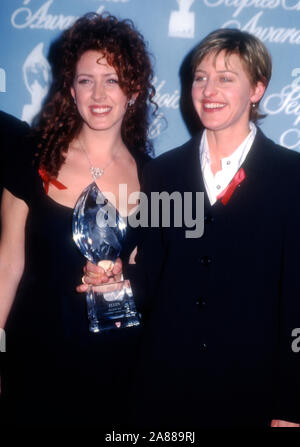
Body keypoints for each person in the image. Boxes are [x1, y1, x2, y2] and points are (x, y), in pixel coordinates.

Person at [82, 29, 300, 428]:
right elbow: (152, 278)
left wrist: (292, 405)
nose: (208, 90)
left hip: (250, 395)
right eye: (200, 77)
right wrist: (115, 281)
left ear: (257, 89)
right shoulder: (163, 172)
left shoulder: (292, 177)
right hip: (163, 391)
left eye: (225, 78)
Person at [0, 12, 155, 426]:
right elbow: (7, 265)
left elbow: (149, 270)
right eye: (86, 80)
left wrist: (126, 277)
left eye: (113, 80)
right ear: (71, 89)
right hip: (36, 356)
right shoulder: (30, 157)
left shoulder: (154, 176)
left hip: (117, 364)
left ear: (134, 90)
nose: (99, 93)